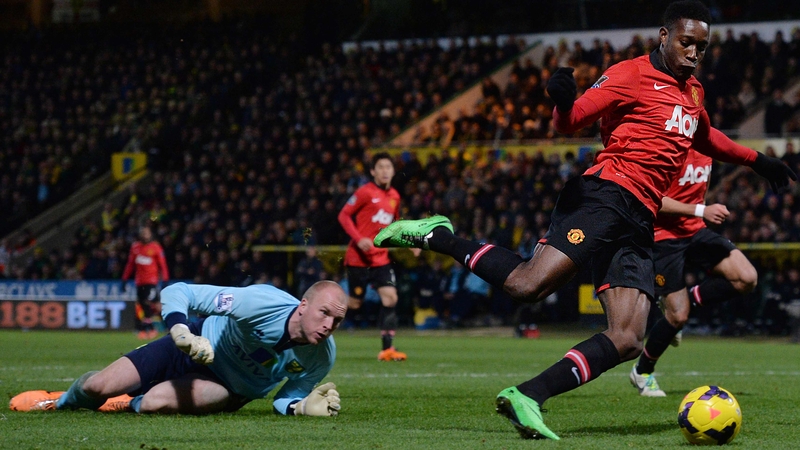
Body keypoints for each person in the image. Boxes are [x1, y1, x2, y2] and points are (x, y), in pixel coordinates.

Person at [373, 0, 795, 440]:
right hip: (605, 196)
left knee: (629, 336)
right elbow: (570, 122)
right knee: (526, 286)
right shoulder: (630, 74)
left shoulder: (693, 93)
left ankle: (529, 396)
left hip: (641, 218)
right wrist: (560, 101)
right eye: (687, 42)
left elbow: (705, 137)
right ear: (665, 35)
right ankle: (438, 235)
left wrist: (756, 160)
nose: (694, 53)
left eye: (702, 47)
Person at [10, 280, 347, 416]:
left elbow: (284, 398)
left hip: (228, 387)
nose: (329, 326)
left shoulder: (322, 356)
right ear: (303, 305)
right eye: (325, 313)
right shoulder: (260, 302)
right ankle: (61, 401)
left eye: (337, 321)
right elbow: (180, 291)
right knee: (95, 385)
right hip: (195, 341)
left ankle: (124, 401)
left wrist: (299, 408)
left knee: (155, 403)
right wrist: (181, 332)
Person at [630, 149, 757, 397]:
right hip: (663, 239)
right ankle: (642, 372)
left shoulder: (706, 145)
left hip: (695, 232)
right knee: (677, 317)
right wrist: (701, 211)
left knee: (747, 277)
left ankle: (686, 301)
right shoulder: (666, 149)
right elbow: (655, 200)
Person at [338, 152, 412, 362]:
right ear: (373, 171)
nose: (385, 171)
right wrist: (359, 238)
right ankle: (322, 311)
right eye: (380, 167)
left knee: (391, 298)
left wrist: (411, 244)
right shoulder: (365, 192)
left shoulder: (395, 197)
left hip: (380, 258)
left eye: (388, 167)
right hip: (359, 258)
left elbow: (396, 226)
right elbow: (343, 215)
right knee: (354, 304)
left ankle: (387, 350)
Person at [122, 225, 170, 339]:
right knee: (149, 305)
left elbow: (162, 265)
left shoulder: (156, 247)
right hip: (139, 282)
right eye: (143, 233)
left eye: (147, 233)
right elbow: (130, 265)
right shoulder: (135, 247)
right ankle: (161, 326)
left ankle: (150, 329)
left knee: (148, 303)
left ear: (150, 234)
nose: (145, 235)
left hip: (152, 281)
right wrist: (124, 279)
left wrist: (165, 279)